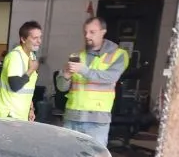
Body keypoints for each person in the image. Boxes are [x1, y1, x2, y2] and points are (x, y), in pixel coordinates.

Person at [55, 16, 129, 147]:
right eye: (85, 32)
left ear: (103, 32)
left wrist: (83, 70)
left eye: (92, 32)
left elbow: (111, 78)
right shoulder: (76, 56)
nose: (87, 36)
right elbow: (61, 87)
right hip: (72, 117)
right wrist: (65, 76)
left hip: (96, 120)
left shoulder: (119, 55)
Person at [0, 21, 42, 121]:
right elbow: (15, 85)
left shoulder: (31, 56)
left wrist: (31, 109)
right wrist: (31, 70)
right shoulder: (15, 56)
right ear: (23, 39)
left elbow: (28, 88)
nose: (39, 41)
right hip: (8, 115)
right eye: (35, 38)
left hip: (20, 115)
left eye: (40, 37)